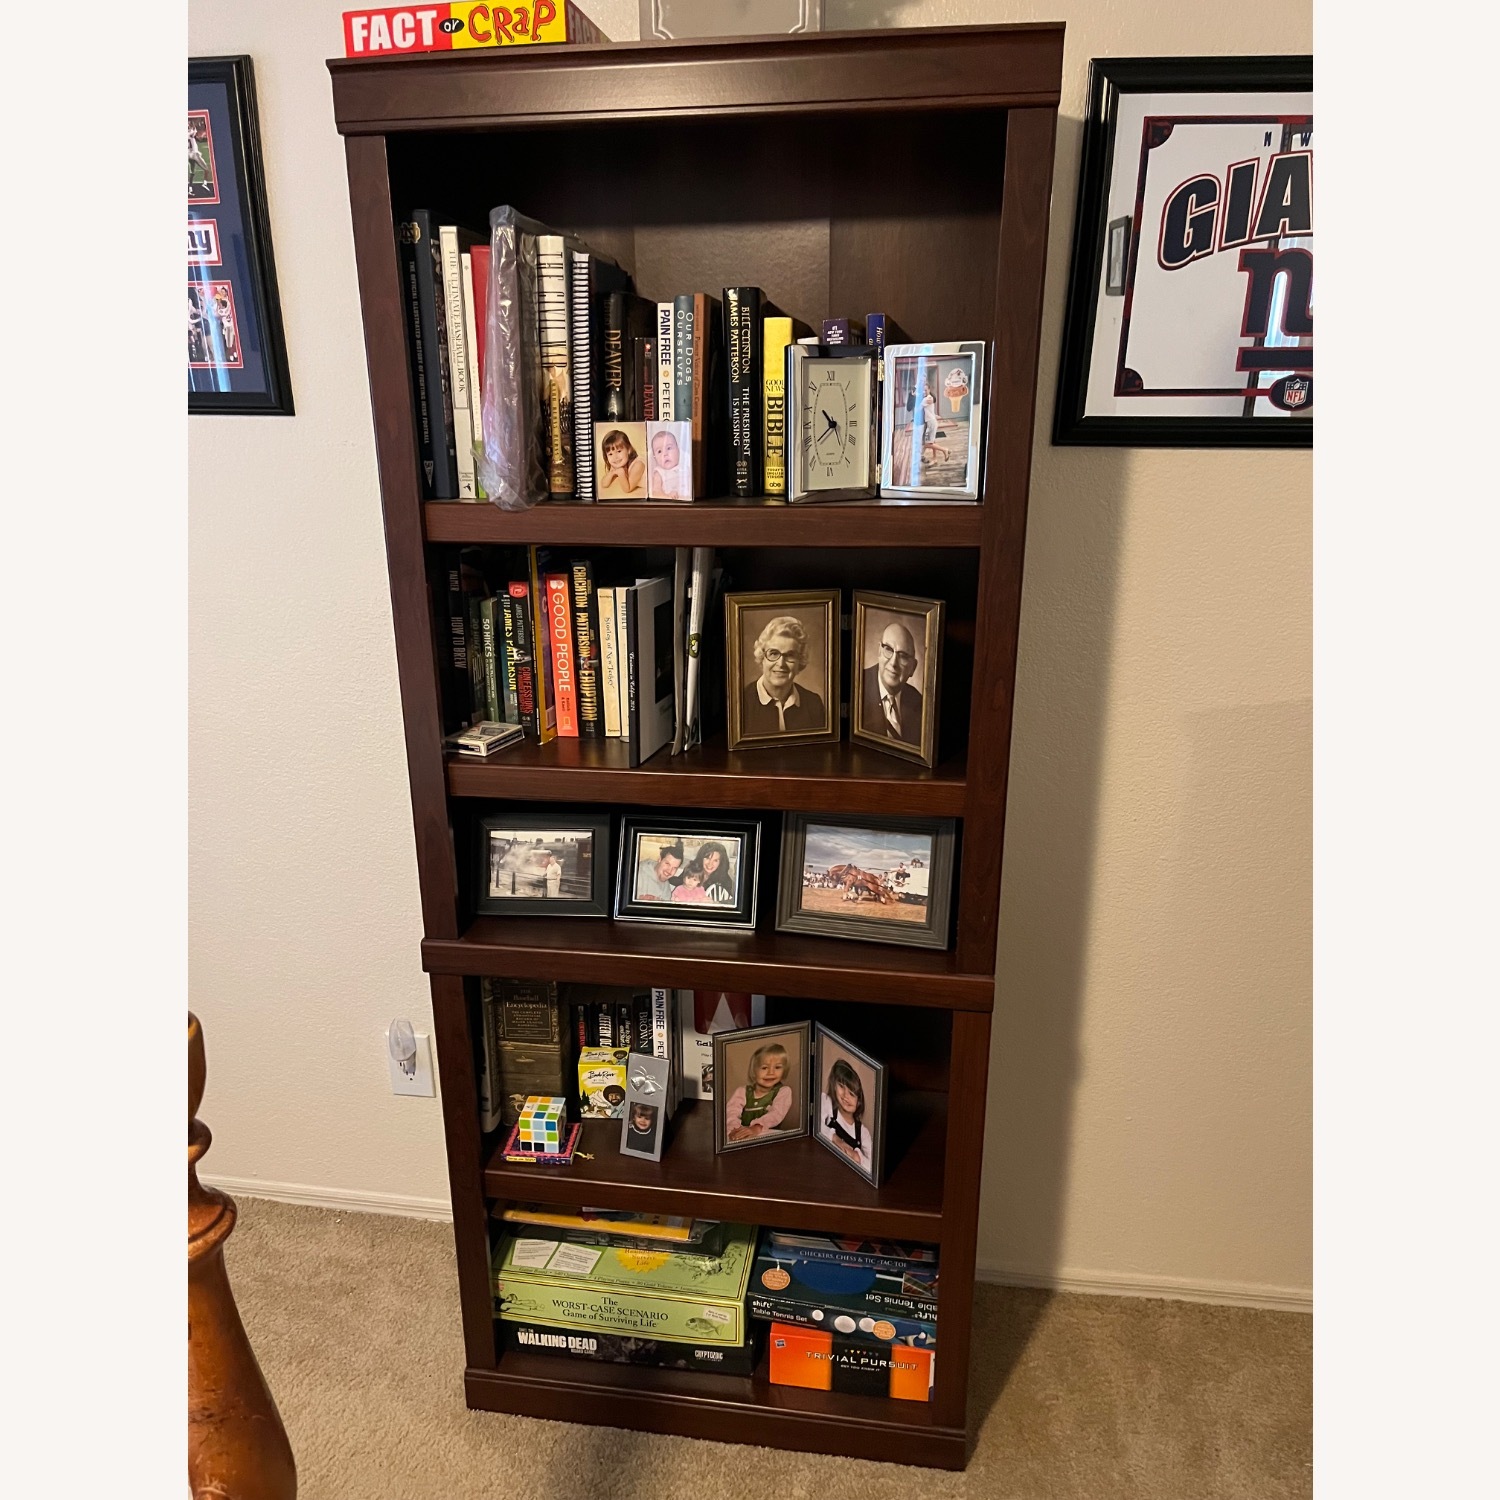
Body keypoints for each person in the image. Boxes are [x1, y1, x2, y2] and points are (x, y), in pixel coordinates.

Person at [739, 615, 826, 737]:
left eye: (790, 655)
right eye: (773, 653)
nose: (781, 664)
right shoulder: (741, 702)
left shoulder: (813, 703)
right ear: (761, 657)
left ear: (800, 660)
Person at [860, 620, 923, 747]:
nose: (893, 663)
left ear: (913, 668)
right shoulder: (858, 687)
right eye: (888, 649)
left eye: (903, 656)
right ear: (879, 651)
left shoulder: (918, 702)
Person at [724, 1042, 793, 1142]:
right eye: (764, 1068)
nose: (771, 1073)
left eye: (777, 1067)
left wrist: (756, 1128)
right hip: (742, 1135)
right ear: (754, 1071)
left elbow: (776, 1114)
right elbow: (731, 1112)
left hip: (767, 1136)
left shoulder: (783, 1091)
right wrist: (735, 1129)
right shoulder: (742, 1091)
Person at [819, 1057, 872, 1176]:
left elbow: (872, 1168)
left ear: (859, 1102)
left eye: (852, 1094)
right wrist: (836, 1139)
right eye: (841, 1087)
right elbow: (814, 1125)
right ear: (834, 1085)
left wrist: (856, 1155)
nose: (845, 1096)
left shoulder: (863, 1132)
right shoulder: (826, 1102)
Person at [680, 841, 734, 906]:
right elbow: (677, 884)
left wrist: (715, 903)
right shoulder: (692, 870)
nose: (710, 864)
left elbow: (732, 902)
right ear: (701, 858)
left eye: (715, 860)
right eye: (707, 858)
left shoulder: (724, 880)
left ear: (721, 862)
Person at [597, 427, 646, 498]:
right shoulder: (617, 464)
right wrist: (611, 473)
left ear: (628, 449)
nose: (615, 457)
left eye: (619, 451)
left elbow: (628, 489)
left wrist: (621, 473)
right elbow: (604, 484)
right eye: (610, 454)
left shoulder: (638, 465)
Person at [649, 426, 688, 499]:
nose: (665, 454)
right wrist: (667, 496)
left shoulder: (685, 467)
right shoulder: (659, 473)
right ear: (655, 457)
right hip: (671, 503)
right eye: (659, 451)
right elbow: (656, 492)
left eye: (669, 448)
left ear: (678, 450)